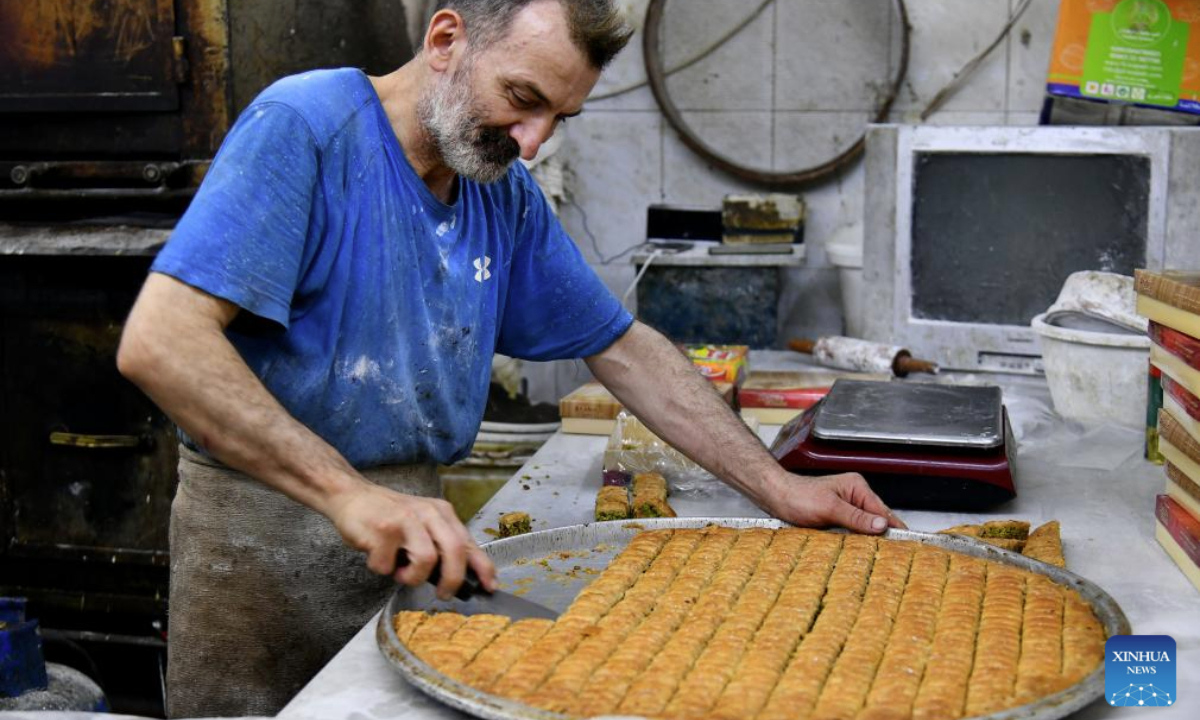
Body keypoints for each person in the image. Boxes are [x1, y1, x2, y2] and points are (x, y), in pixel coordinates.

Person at [117, 0, 905, 715]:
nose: (532, 144)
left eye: (560, 117)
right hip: (259, 553)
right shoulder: (305, 128)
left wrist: (777, 485)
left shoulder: (496, 188)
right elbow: (162, 341)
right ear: (447, 39)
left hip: (413, 544)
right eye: (524, 100)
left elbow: (621, 348)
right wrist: (347, 494)